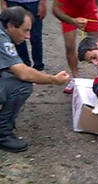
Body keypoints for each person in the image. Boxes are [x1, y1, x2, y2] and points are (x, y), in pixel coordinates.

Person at [0, 6, 70, 153]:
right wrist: (53, 79)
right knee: (21, 85)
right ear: (11, 26)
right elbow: (23, 73)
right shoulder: (2, 39)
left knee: (10, 76)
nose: (28, 36)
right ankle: (2, 135)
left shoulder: (3, 31)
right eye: (25, 30)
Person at [0, 0, 47, 71]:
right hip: (12, 2)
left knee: (35, 38)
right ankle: (23, 65)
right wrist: (3, 4)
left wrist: (42, 3)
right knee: (16, 37)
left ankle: (38, 67)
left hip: (33, 3)